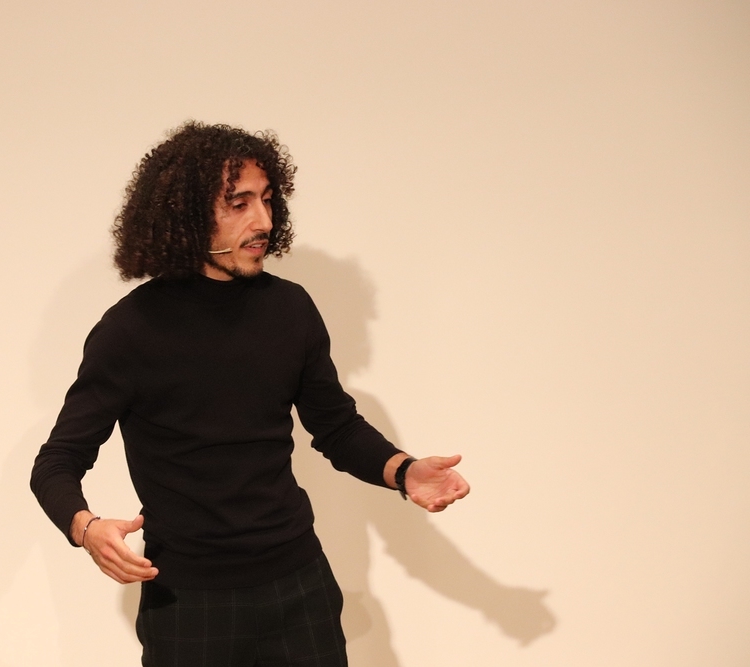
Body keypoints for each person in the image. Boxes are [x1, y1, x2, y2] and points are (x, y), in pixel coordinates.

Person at [30, 121, 470, 666]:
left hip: (300, 586)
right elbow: (56, 461)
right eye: (238, 204)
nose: (263, 221)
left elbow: (335, 426)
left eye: (266, 200)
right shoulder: (129, 331)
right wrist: (86, 528)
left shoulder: (290, 309)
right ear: (187, 215)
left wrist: (404, 471)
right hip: (189, 603)